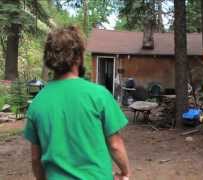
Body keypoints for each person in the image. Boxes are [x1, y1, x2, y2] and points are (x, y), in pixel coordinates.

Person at [24, 26, 130, 180]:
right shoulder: (99, 95)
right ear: (78, 57)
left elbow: (35, 158)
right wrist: (125, 172)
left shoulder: (37, 103)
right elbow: (115, 145)